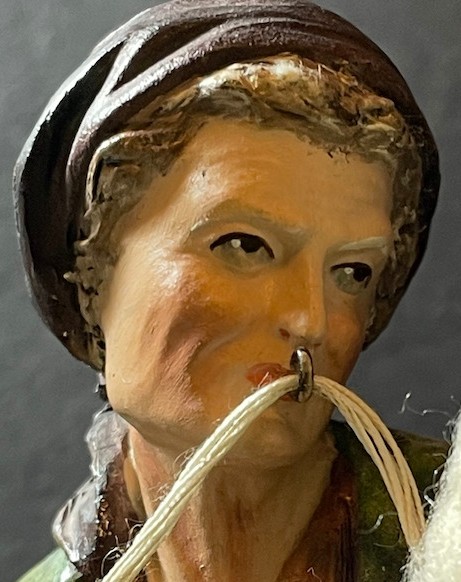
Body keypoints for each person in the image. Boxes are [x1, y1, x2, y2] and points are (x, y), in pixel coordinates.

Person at [15, 1, 445, 580]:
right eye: (244, 245)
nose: (312, 319)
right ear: (94, 269)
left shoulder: (447, 526)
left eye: (353, 273)